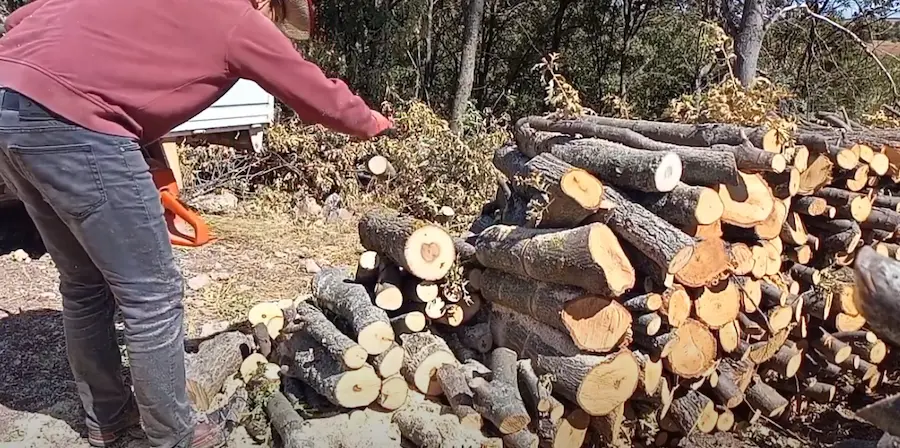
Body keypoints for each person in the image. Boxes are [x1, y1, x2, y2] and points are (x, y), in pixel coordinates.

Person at [0, 0, 394, 446]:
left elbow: (20, 18)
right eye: (277, 20)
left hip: (9, 105)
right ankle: (175, 435)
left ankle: (108, 420)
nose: (273, 30)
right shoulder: (235, 16)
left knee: (84, 285)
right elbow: (316, 94)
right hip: (78, 125)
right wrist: (375, 124)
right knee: (152, 294)